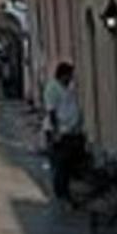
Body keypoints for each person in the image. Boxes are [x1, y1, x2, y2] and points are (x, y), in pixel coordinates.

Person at [43, 62, 84, 204]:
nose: (71, 78)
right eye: (69, 76)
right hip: (59, 131)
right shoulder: (52, 88)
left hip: (71, 131)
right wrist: (56, 132)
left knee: (69, 162)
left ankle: (66, 189)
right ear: (63, 75)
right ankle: (61, 192)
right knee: (61, 163)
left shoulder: (68, 87)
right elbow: (51, 111)